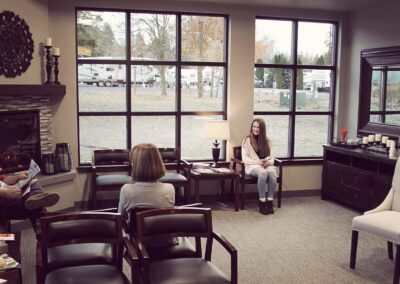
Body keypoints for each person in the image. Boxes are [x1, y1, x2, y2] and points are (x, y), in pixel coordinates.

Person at [118, 143, 175, 222]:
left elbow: (121, 218)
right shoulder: (170, 189)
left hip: (136, 234)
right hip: (162, 233)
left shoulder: (126, 190)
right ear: (158, 163)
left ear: (135, 164)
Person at [242, 118, 277, 215]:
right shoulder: (247, 140)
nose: (256, 129)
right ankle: (262, 201)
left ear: (262, 129)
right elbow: (245, 158)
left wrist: (268, 162)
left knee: (272, 173)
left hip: (265, 164)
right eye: (254, 126)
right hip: (253, 165)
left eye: (258, 127)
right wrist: (258, 162)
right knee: (263, 172)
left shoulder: (268, 140)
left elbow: (272, 157)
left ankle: (269, 201)